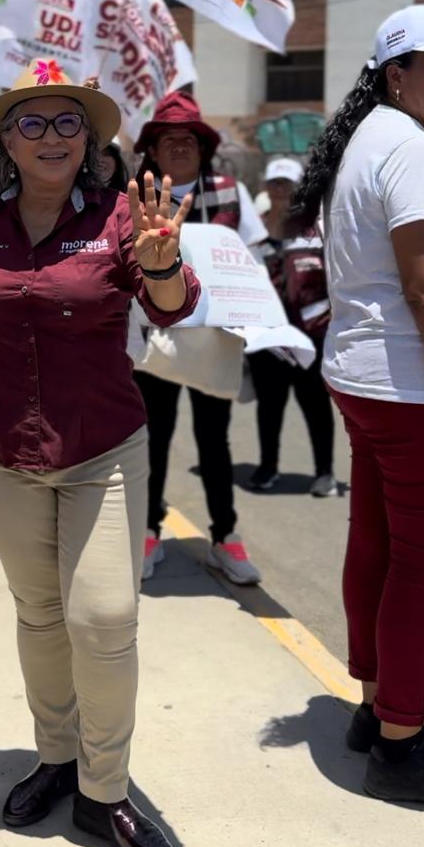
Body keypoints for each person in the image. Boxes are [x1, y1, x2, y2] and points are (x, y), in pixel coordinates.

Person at [0, 59, 201, 847]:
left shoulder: (122, 219)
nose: (52, 136)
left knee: (103, 619)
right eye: (32, 123)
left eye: (68, 121)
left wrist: (159, 263)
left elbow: (170, 307)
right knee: (39, 615)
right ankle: (55, 756)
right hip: (0, 450)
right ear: (6, 141)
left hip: (101, 450)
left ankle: (102, 791)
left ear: (90, 138)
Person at [288, 3, 424, 804]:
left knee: (375, 542)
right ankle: (402, 743)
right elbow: (421, 286)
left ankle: (374, 708)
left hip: (363, 376)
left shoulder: (369, 137)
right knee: (417, 564)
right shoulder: (409, 146)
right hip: (408, 385)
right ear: (395, 73)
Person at [133, 91, 265, 585]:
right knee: (154, 438)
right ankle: (147, 532)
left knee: (215, 441)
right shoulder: (138, 195)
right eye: (170, 139)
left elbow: (254, 254)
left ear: (203, 147)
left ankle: (224, 538)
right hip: (157, 338)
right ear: (154, 150)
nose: (181, 147)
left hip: (213, 337)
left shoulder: (232, 190)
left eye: (189, 139)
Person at [248, 158, 336, 496]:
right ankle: (267, 467)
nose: (280, 189)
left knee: (314, 403)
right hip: (266, 338)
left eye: (287, 183)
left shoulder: (317, 230)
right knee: (269, 406)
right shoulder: (251, 232)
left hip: (311, 334)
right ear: (267, 187)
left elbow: (336, 278)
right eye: (275, 183)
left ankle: (324, 472)